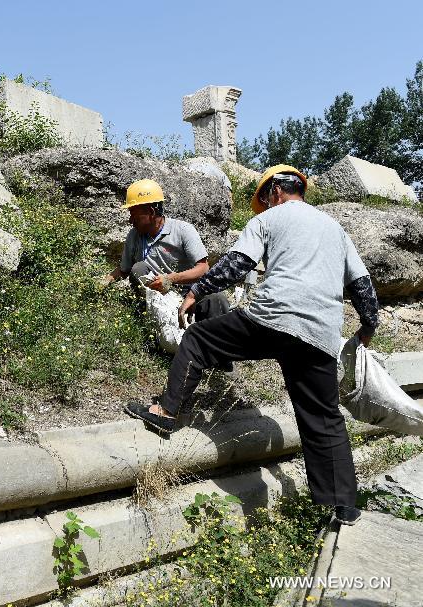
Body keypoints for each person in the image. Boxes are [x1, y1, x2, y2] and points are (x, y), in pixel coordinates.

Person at [124, 165, 380, 526]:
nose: (266, 205)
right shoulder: (335, 229)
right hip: (320, 334)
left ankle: (166, 413)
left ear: (275, 191)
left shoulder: (269, 219)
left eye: (264, 199)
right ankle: (345, 507)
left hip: (273, 319)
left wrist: (196, 292)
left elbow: (236, 265)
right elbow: (363, 286)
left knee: (198, 338)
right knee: (324, 419)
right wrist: (368, 327)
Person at [102, 178, 229, 323]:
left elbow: (203, 268)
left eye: (134, 214)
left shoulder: (183, 230)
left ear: (151, 212)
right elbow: (124, 270)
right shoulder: (134, 235)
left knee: (217, 299)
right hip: (158, 296)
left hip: (190, 294)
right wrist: (104, 282)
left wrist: (170, 279)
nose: (130, 220)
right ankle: (147, 322)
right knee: (138, 268)